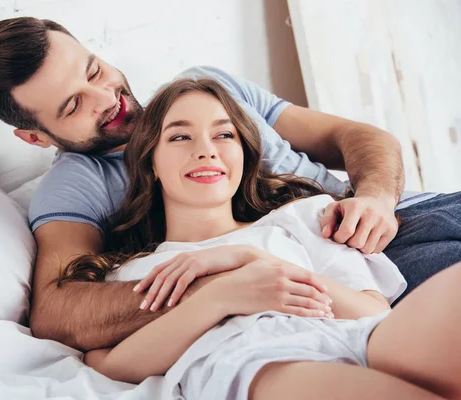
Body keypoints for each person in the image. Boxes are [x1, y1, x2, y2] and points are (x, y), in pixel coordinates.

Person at [0, 17, 461, 351]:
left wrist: (373, 197)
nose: (105, 97)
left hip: (400, 220)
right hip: (352, 272)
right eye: (73, 105)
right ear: (34, 137)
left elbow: (353, 136)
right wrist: (221, 286)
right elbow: (57, 311)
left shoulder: (203, 87)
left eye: (95, 71)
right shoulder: (79, 183)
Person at [65, 77, 458, 399]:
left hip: (361, 336)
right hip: (266, 365)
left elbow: (375, 313)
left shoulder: (302, 217)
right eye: (180, 138)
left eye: (224, 135)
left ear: (244, 154)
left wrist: (256, 264)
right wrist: (223, 296)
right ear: (150, 161)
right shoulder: (133, 271)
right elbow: (109, 365)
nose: (206, 151)